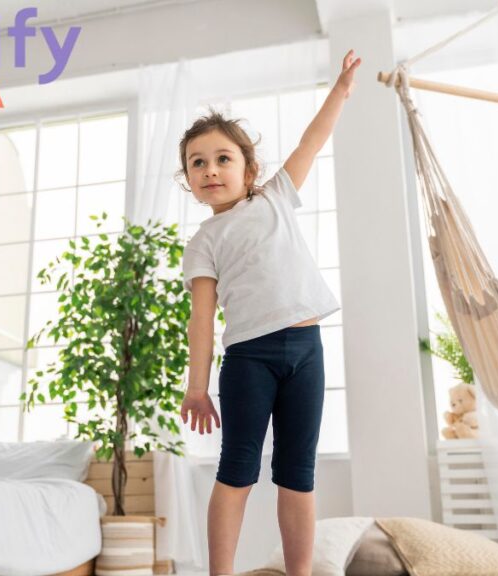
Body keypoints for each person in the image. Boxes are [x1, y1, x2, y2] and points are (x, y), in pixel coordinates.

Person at [178, 49, 362, 576]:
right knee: (237, 471)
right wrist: (196, 387)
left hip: (306, 351)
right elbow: (201, 320)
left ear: (249, 169)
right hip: (248, 361)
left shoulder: (276, 196)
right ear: (188, 180)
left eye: (222, 158)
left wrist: (340, 90)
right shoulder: (203, 241)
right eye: (197, 163)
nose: (211, 170)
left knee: (297, 474)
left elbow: (312, 140)